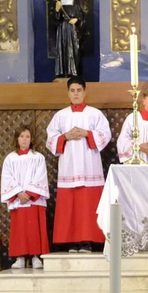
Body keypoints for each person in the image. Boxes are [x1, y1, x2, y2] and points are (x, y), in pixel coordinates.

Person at [45, 76, 110, 252]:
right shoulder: (61, 116)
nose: (76, 94)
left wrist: (87, 134)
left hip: (90, 166)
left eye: (79, 90)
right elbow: (50, 139)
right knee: (71, 207)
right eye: (72, 91)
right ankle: (73, 241)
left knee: (88, 206)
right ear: (68, 92)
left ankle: (88, 241)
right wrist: (65, 136)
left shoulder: (95, 114)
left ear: (85, 92)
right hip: (69, 167)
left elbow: (105, 135)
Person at [1, 126, 50, 269]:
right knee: (20, 229)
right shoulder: (10, 159)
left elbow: (40, 176)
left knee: (35, 228)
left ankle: (36, 257)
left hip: (34, 200)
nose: (24, 139)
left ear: (31, 139)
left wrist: (29, 194)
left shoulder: (38, 157)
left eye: (27, 136)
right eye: (22, 136)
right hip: (18, 200)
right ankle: (20, 258)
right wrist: (18, 193)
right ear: (17, 139)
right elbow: (7, 178)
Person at [51, 0, 84, 80]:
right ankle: (63, 71)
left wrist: (76, 20)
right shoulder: (59, 2)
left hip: (72, 28)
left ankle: (73, 71)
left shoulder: (75, 1)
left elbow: (81, 15)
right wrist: (57, 10)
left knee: (73, 48)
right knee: (63, 48)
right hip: (62, 28)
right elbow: (55, 19)